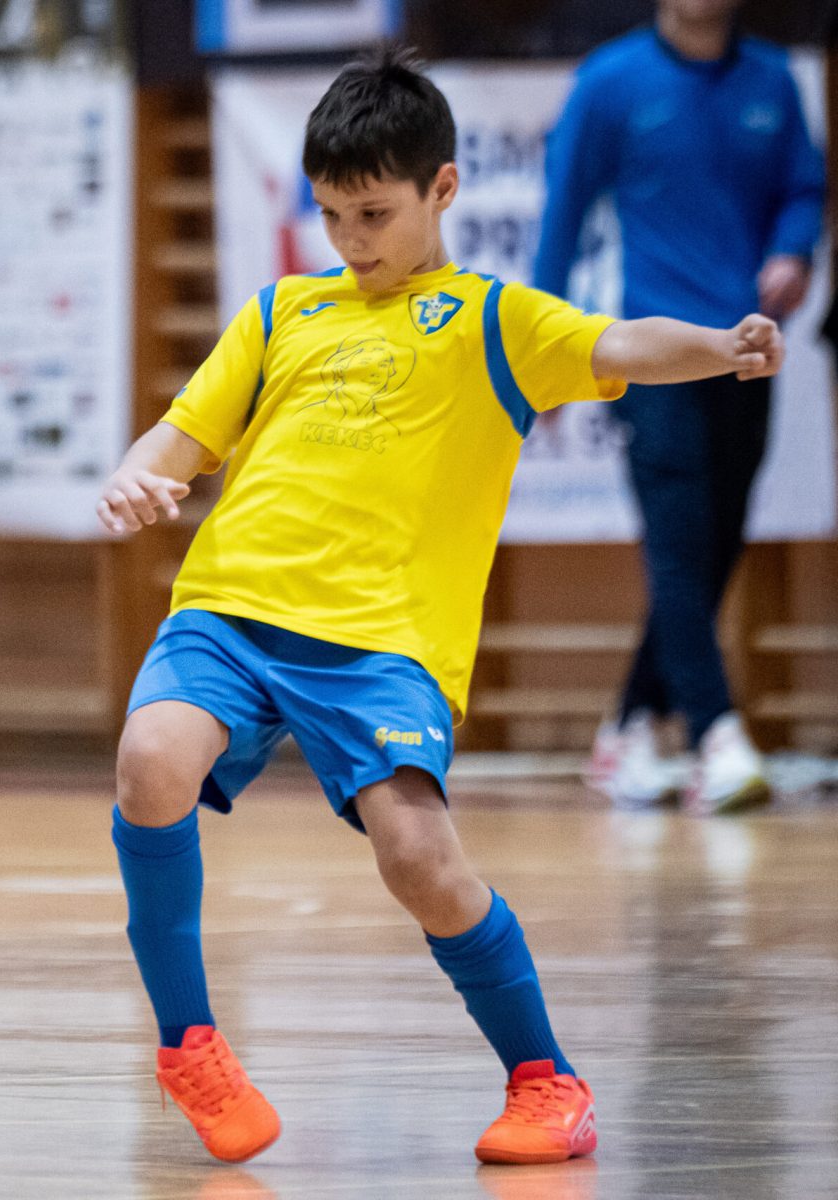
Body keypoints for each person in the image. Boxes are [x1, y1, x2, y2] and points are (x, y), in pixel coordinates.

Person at [101, 48, 782, 1167]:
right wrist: (140, 474)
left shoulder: (492, 320)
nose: (351, 239)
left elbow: (617, 343)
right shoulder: (279, 313)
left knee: (417, 857)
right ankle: (188, 1046)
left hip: (379, 643)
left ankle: (545, 1080)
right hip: (231, 609)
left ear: (443, 189)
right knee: (149, 761)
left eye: (374, 213)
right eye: (331, 215)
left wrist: (718, 346)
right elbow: (181, 437)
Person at [533, 0, 824, 813]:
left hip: (749, 349)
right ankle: (714, 735)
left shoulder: (773, 80)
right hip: (652, 356)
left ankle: (627, 728)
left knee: (715, 545)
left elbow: (804, 190)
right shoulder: (611, 81)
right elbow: (563, 213)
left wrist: (793, 249)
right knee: (678, 544)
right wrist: (542, 354)